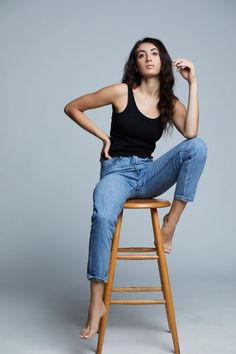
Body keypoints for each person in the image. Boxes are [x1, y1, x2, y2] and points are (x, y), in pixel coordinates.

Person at [64, 37, 207, 340]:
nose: (148, 58)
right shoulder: (121, 92)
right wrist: (103, 137)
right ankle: (95, 305)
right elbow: (72, 107)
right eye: (141, 55)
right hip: (116, 172)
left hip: (148, 172)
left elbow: (191, 132)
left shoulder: (169, 102)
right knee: (102, 218)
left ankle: (171, 223)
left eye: (154, 53)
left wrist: (193, 83)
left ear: (163, 60)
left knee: (198, 147)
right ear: (136, 64)